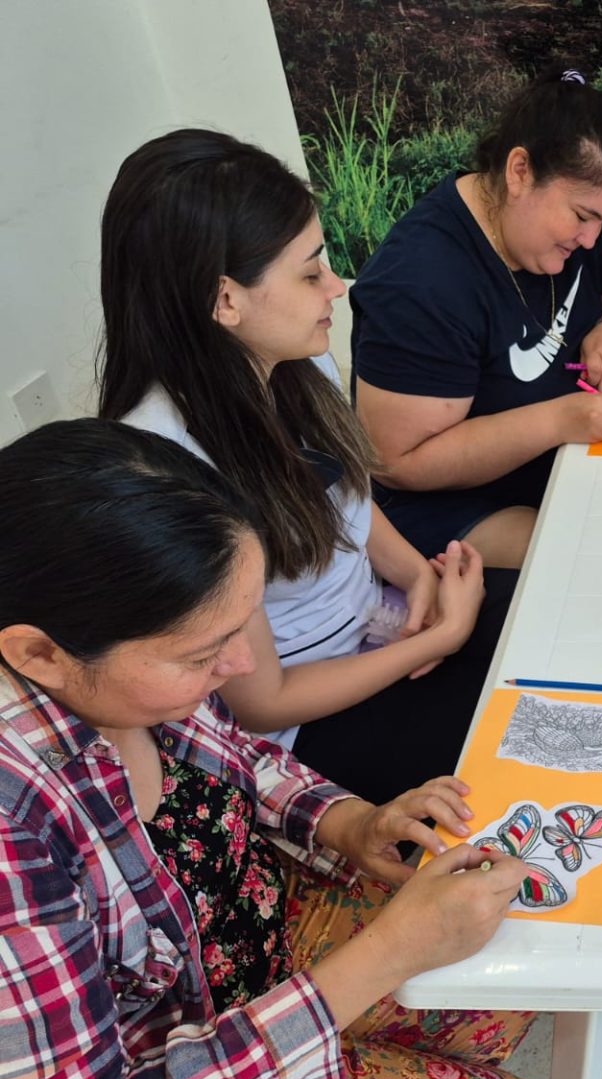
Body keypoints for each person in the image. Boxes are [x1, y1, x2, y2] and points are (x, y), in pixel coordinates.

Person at [0, 420, 544, 1079]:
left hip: (248, 947)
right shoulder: (16, 827)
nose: (240, 666)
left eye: (240, 627)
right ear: (38, 652)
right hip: (159, 1077)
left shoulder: (134, 672)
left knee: (500, 982)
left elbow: (243, 757)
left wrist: (352, 824)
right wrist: (388, 953)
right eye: (201, 652)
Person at [98, 129, 513, 806]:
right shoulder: (164, 465)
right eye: (310, 270)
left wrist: (418, 577)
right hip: (310, 721)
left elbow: (342, 497)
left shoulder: (293, 353)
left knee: (550, 634)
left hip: (382, 626)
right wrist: (444, 633)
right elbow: (265, 702)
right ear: (225, 299)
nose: (337, 287)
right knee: (522, 738)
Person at [350, 69, 602, 568]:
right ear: (520, 172)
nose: (592, 241)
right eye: (583, 217)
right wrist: (559, 419)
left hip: (561, 462)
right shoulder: (421, 284)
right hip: (451, 506)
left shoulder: (580, 224)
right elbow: (398, 464)